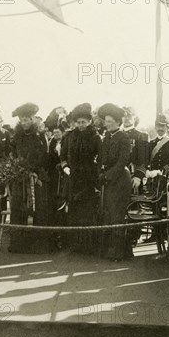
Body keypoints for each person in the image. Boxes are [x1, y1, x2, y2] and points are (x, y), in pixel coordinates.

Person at [8, 102, 52, 254]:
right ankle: (18, 244)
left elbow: (44, 157)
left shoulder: (40, 136)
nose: (24, 122)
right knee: (18, 208)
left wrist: (33, 171)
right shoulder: (16, 137)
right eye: (22, 119)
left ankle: (40, 245)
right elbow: (13, 154)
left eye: (27, 119)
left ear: (33, 119)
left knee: (40, 209)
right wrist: (18, 168)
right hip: (20, 177)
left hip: (37, 177)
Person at [60, 103, 102, 253]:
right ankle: (75, 245)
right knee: (74, 212)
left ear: (89, 121)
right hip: (72, 179)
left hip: (89, 180)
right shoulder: (69, 136)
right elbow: (63, 156)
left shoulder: (96, 137)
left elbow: (101, 158)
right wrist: (65, 168)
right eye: (78, 122)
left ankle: (88, 246)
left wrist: (95, 173)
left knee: (87, 212)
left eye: (83, 122)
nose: (80, 125)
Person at [98, 103, 132, 261]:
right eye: (106, 121)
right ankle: (108, 250)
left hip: (120, 181)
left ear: (118, 122)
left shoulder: (124, 137)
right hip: (108, 181)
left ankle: (119, 252)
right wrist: (100, 173)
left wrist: (109, 175)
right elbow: (102, 159)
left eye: (110, 121)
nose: (107, 124)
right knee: (107, 214)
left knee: (117, 214)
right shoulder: (106, 138)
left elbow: (122, 161)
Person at [122, 107, 148, 195]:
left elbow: (144, 159)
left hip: (134, 177)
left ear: (135, 118)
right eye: (124, 116)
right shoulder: (116, 135)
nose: (126, 118)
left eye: (129, 116)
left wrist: (138, 176)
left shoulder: (141, 136)